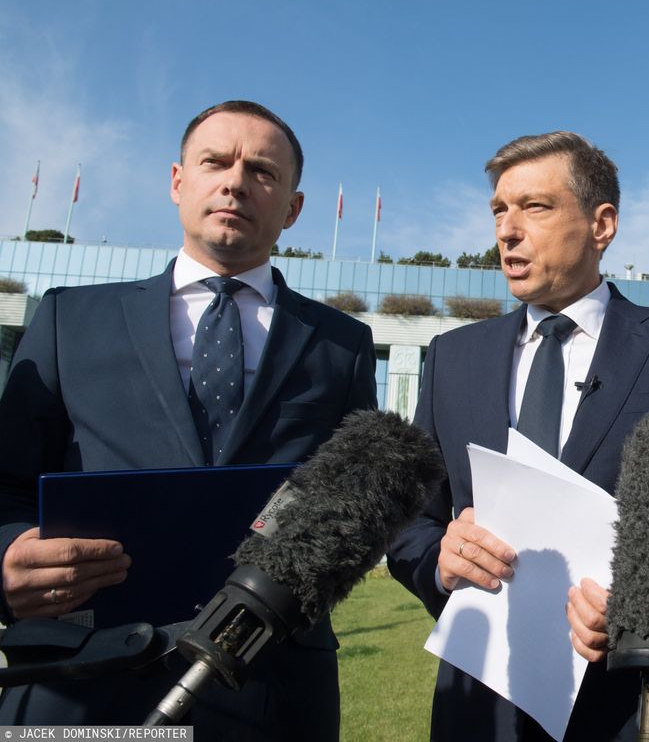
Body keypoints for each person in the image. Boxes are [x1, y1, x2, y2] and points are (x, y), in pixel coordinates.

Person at [386, 131, 649, 742]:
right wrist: (439, 562)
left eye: (535, 207)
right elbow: (411, 525)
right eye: (499, 210)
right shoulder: (451, 359)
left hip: (639, 707)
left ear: (603, 225)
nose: (507, 230)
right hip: (481, 711)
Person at [0, 100, 378, 737]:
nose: (234, 181)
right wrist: (7, 552)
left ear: (292, 208)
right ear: (179, 181)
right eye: (215, 162)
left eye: (261, 170)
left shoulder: (343, 344)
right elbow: (5, 478)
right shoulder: (70, 320)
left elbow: (361, 501)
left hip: (272, 685)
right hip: (82, 672)